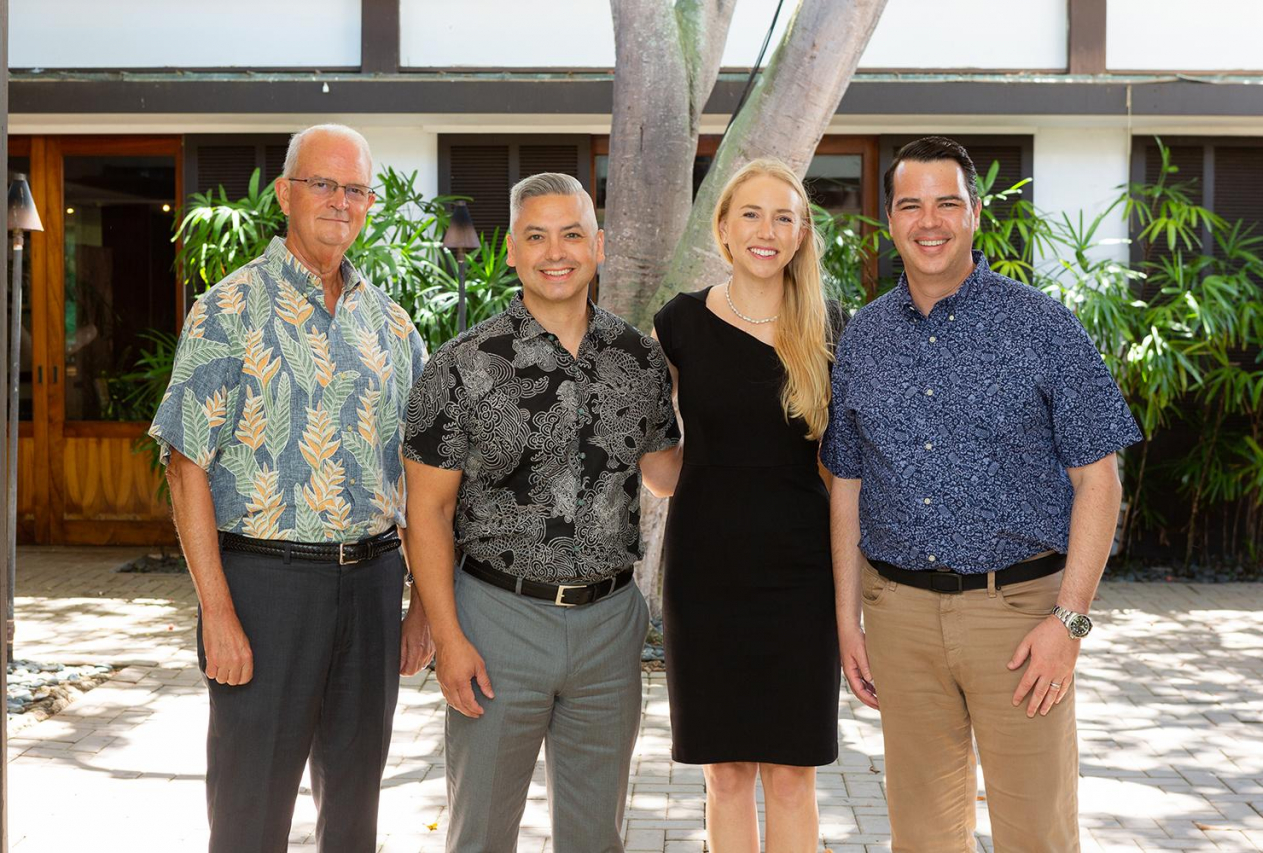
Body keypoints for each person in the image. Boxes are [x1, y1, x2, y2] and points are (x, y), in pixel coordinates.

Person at [822, 136, 1143, 851]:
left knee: (1038, 831)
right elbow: (846, 480)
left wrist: (1071, 621)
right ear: (890, 218)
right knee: (923, 835)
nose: (928, 221)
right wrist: (849, 621)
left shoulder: (1043, 325)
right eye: (911, 204)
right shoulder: (865, 338)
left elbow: (1101, 478)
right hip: (899, 618)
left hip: (1022, 619)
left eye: (947, 203)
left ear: (974, 214)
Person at [148, 124, 432, 853]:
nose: (341, 201)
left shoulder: (392, 324)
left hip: (373, 587)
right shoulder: (229, 308)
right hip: (264, 589)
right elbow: (186, 466)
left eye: (356, 188)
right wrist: (216, 611)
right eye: (323, 183)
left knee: (354, 815)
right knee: (250, 815)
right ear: (285, 193)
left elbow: (424, 480)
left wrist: (423, 605)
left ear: (369, 204)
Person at [401, 172, 681, 853]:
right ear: (512, 252)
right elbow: (427, 513)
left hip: (611, 624)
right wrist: (448, 635)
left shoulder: (639, 358)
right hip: (497, 621)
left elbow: (666, 476)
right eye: (537, 236)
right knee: (482, 834)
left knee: (596, 838)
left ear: (599, 245)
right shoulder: (460, 365)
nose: (556, 251)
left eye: (572, 233)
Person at [649, 159, 843, 853]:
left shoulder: (828, 326)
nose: (768, 230)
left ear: (801, 235)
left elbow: (838, 475)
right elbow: (665, 472)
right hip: (706, 576)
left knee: (793, 774)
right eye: (752, 215)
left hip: (801, 580)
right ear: (724, 229)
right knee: (726, 772)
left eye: (784, 216)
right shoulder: (677, 325)